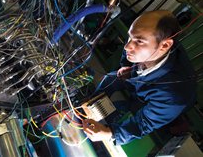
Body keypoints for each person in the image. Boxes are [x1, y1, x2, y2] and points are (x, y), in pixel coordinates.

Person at [82, 10, 197, 145]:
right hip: (139, 77)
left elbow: (144, 123)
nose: (127, 46)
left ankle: (117, 117)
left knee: (125, 109)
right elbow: (130, 47)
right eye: (130, 37)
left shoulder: (173, 95)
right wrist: (125, 65)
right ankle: (86, 108)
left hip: (155, 101)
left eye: (139, 41)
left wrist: (110, 134)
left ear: (165, 45)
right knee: (111, 78)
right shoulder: (145, 37)